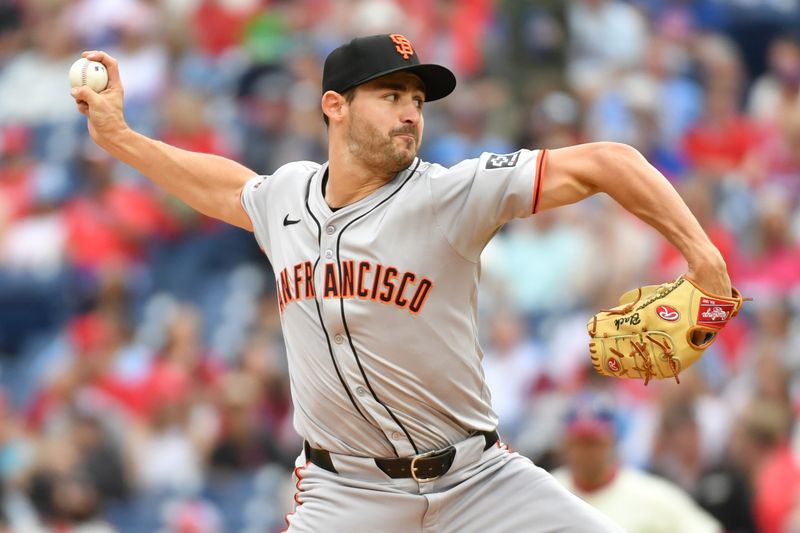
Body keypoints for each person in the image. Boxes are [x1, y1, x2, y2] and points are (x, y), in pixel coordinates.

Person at [71, 33, 732, 532]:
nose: (411, 112)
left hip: (478, 481)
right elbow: (223, 185)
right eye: (391, 96)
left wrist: (703, 261)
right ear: (335, 106)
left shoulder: (449, 195)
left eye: (417, 100)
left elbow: (608, 161)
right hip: (345, 494)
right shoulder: (287, 197)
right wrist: (123, 139)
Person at [551, 397, 723, 533]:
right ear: (565, 445)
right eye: (579, 443)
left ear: (611, 442)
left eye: (594, 443)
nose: (586, 452)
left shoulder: (652, 495)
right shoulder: (548, 490)